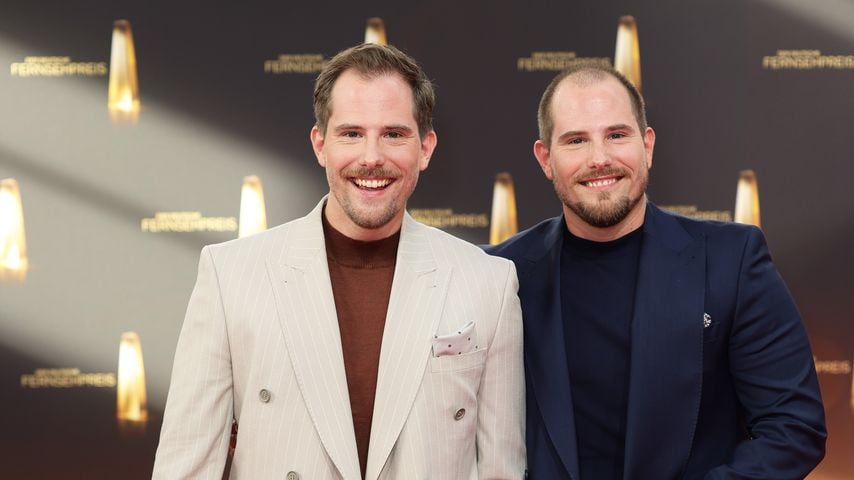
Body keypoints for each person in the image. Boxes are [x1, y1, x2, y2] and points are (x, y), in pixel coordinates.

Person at [153, 43, 525, 480]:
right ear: (320, 145)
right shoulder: (230, 274)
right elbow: (186, 465)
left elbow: (502, 468)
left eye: (394, 134)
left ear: (425, 148)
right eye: (351, 133)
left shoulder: (489, 282)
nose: (372, 157)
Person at [486, 64, 826, 479]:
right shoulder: (499, 273)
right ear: (546, 159)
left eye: (617, 135)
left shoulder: (731, 260)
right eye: (576, 141)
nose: (600, 158)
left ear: (646, 145)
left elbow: (794, 427)